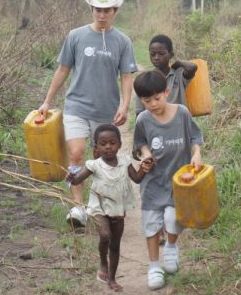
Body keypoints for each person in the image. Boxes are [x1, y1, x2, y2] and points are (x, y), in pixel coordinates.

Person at [38, 0, 137, 227]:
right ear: (92, 10)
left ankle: (100, 202)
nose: (102, 15)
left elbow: (126, 76)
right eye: (98, 10)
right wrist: (47, 102)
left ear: (115, 12)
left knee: (102, 159)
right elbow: (63, 70)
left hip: (106, 110)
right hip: (77, 105)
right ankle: (78, 207)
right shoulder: (76, 36)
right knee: (77, 153)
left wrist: (124, 106)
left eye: (107, 11)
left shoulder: (123, 41)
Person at [133, 70, 204, 290]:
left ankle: (171, 246)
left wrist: (196, 153)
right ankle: (154, 266)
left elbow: (194, 137)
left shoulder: (182, 113)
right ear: (141, 100)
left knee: (174, 219)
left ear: (166, 92)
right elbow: (140, 144)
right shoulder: (143, 120)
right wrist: (145, 155)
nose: (153, 104)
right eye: (147, 101)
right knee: (151, 225)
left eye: (157, 98)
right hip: (153, 182)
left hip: (179, 182)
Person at [66, 124, 154, 292]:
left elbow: (136, 179)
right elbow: (77, 180)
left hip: (118, 209)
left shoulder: (124, 161)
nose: (108, 147)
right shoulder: (94, 165)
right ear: (96, 147)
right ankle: (102, 262)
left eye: (112, 143)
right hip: (98, 207)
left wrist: (145, 168)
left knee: (115, 244)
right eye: (103, 143)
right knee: (105, 235)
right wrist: (71, 177)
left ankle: (112, 278)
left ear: (119, 144)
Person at [134, 34, 198, 119]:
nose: (156, 57)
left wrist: (179, 63)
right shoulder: (146, 79)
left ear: (171, 55)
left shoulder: (178, 75)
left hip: (178, 123)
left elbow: (192, 67)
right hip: (156, 125)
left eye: (161, 54)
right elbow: (139, 112)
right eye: (152, 54)